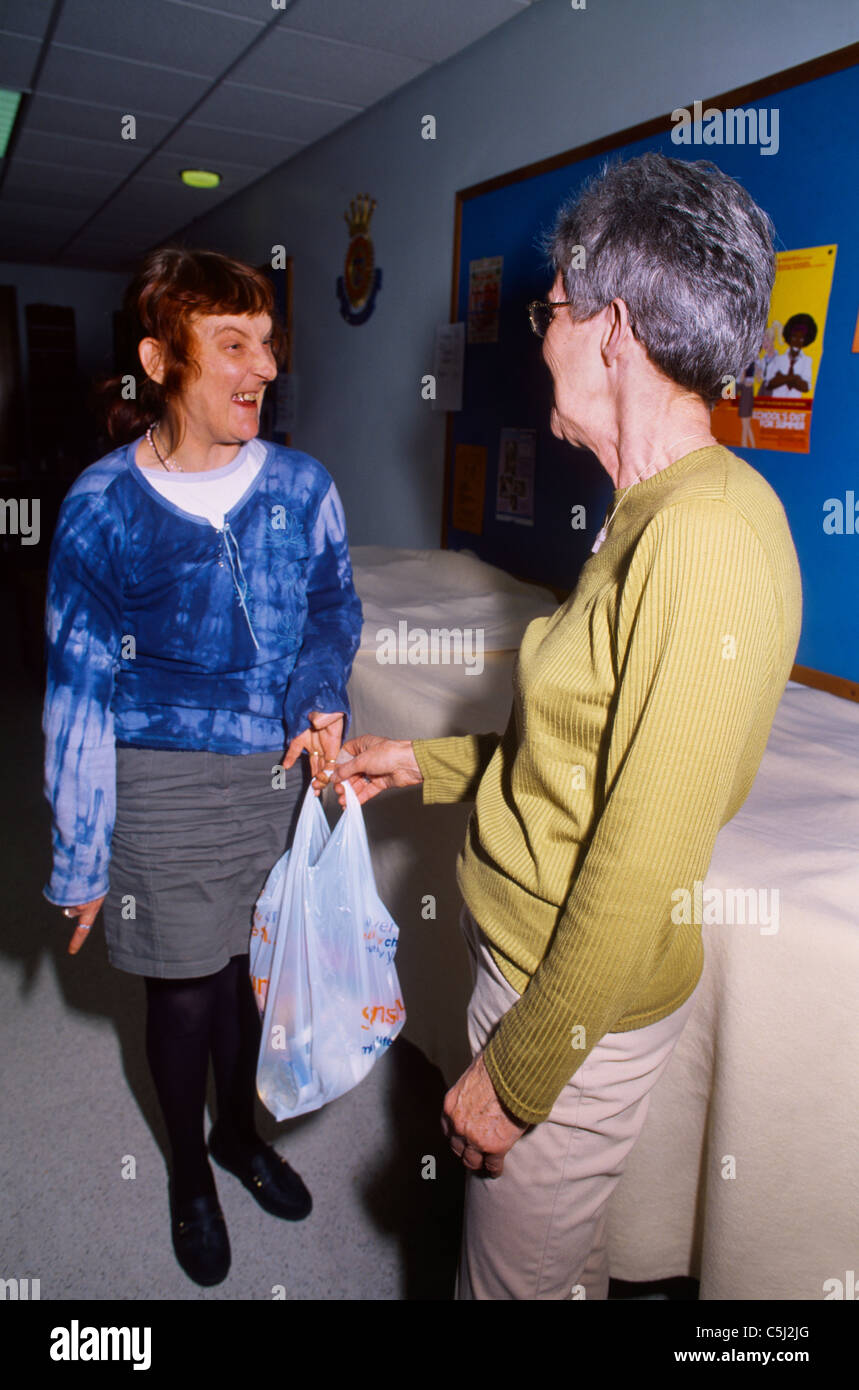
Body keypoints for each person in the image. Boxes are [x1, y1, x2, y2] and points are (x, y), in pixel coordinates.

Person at [332, 154, 802, 1300]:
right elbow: (580, 760)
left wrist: (518, 1074)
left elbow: (640, 859)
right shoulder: (647, 512)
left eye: (549, 309)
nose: (539, 333)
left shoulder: (703, 539)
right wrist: (425, 758)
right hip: (540, 967)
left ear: (613, 330)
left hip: (563, 995)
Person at [42, 247, 363, 1287]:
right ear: (160, 358)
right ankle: (189, 1169)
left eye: (266, 344)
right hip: (161, 777)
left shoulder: (304, 486)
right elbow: (78, 686)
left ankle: (241, 1136)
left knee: (247, 980)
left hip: (274, 775)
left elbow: (332, 609)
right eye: (233, 344)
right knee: (184, 989)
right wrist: (80, 851)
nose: (261, 367)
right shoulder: (102, 504)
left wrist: (321, 688)